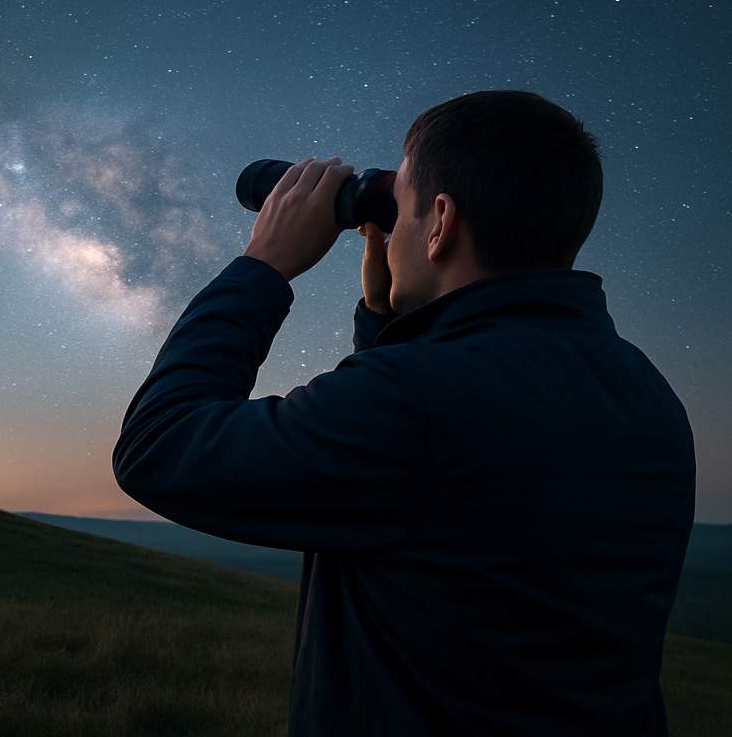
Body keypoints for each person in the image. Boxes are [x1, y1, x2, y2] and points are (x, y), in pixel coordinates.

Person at [113, 90, 695, 736]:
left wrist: (263, 265)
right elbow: (437, 488)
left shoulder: (418, 404)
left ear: (440, 223)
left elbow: (159, 444)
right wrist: (389, 321)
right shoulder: (641, 388)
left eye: (405, 204)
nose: (393, 230)